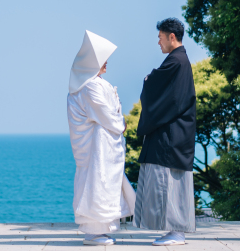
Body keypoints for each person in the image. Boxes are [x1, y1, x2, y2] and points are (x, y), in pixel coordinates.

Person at [67, 30, 136, 246]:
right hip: (97, 148)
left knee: (99, 184)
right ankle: (95, 232)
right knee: (97, 184)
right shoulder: (90, 87)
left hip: (100, 147)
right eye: (102, 60)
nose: (106, 64)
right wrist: (121, 124)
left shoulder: (88, 84)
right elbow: (107, 115)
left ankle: (99, 230)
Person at [133, 18, 197, 246]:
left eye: (160, 37)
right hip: (176, 133)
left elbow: (161, 93)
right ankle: (173, 230)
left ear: (172, 37)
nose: (158, 42)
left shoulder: (176, 62)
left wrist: (148, 79)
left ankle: (176, 232)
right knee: (169, 185)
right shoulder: (178, 61)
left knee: (169, 184)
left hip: (172, 136)